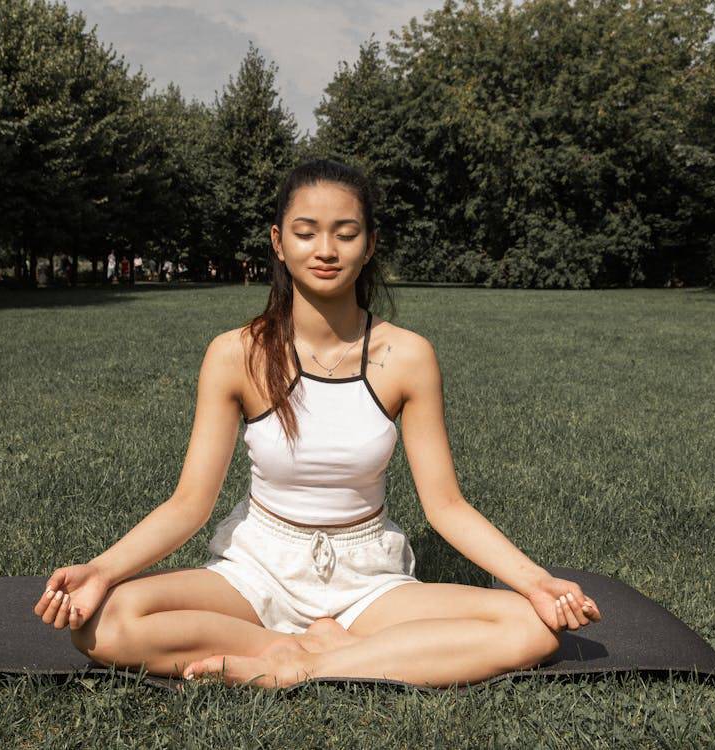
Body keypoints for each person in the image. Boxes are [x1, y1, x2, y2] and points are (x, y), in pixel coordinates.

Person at [33, 158, 601, 689]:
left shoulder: (407, 356)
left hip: (368, 576)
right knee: (103, 624)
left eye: (346, 233)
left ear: (370, 244)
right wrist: (101, 570)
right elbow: (189, 504)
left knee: (532, 628)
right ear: (279, 243)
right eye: (306, 232)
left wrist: (535, 580)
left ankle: (309, 665)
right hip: (257, 571)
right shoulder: (237, 354)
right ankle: (280, 646)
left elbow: (446, 506)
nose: (325, 249)